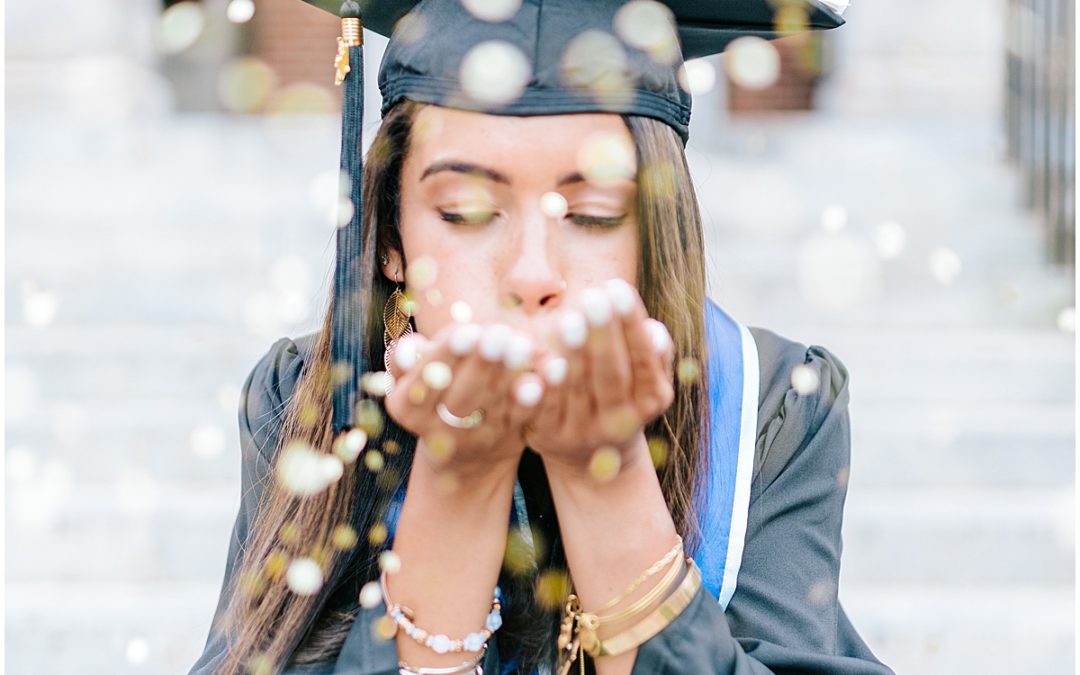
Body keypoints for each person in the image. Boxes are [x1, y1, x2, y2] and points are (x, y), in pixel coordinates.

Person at [190, 1, 894, 674]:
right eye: (466, 211)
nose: (532, 274)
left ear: (658, 234)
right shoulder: (309, 404)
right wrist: (454, 488)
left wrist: (606, 471)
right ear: (392, 241)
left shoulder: (767, 408)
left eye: (590, 213)